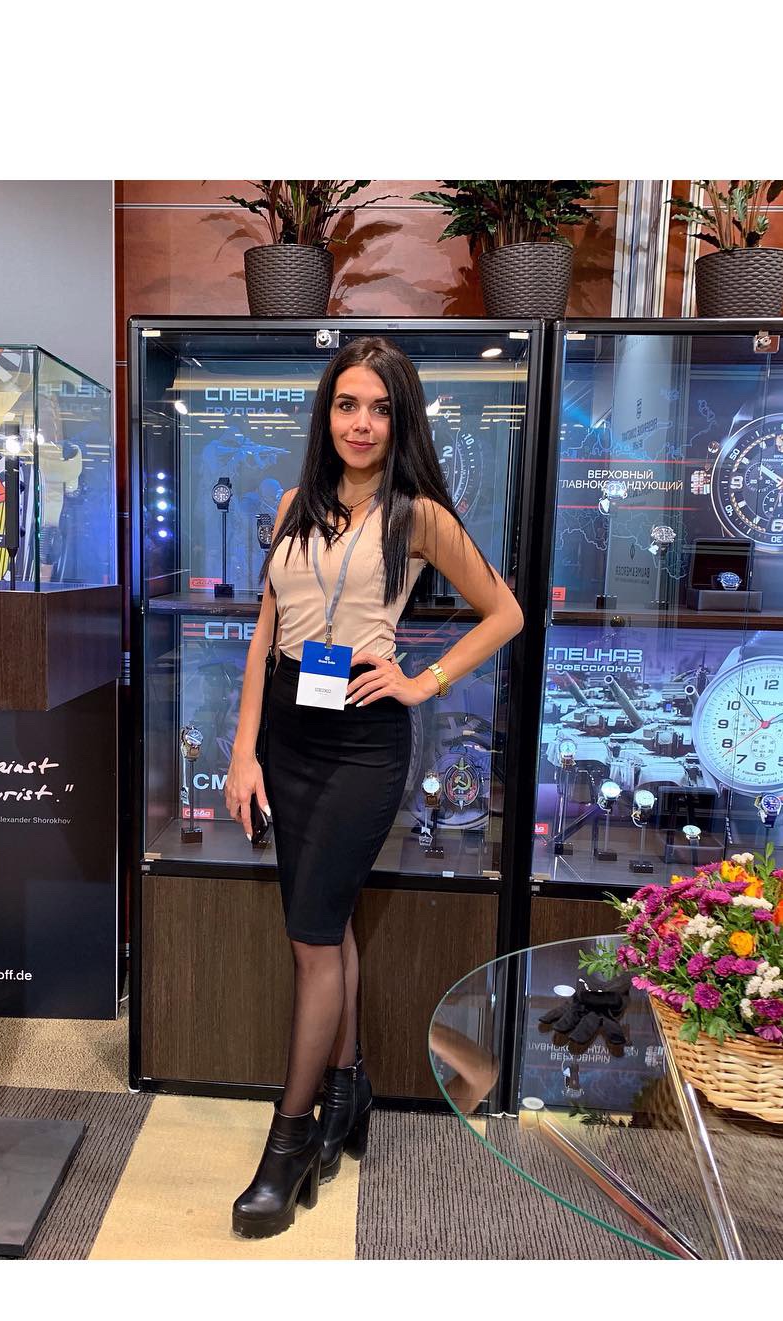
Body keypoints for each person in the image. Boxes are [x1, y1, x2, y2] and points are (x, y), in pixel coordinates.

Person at [223, 335, 524, 1239]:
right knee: (330, 925)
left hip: (362, 738)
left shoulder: (416, 515)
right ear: (328, 413)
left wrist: (423, 681)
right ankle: (349, 1090)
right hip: (288, 732)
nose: (362, 423)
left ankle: (288, 1142)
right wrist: (243, 752)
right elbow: (265, 630)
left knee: (312, 939)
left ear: (401, 421)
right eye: (348, 405)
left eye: (381, 409)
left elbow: (506, 612)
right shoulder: (294, 505)